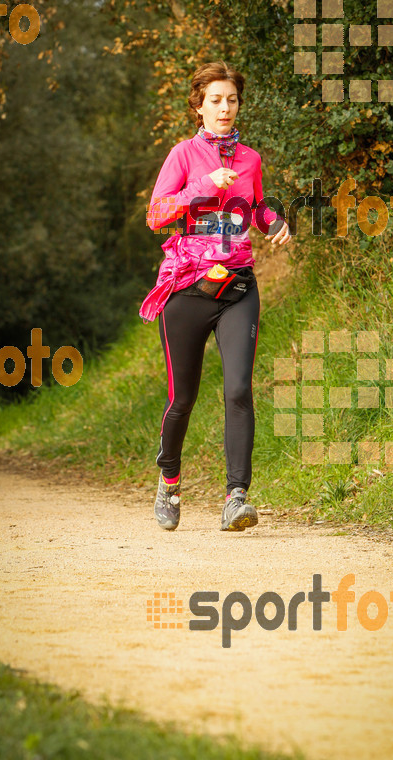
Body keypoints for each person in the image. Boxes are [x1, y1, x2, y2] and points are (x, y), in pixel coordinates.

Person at [139, 60, 291, 532]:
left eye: (232, 100)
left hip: (238, 286)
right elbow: (157, 214)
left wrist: (273, 221)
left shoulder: (250, 158)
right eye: (215, 100)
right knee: (181, 398)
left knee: (239, 389)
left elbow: (256, 204)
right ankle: (169, 481)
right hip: (189, 288)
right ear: (199, 108)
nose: (225, 108)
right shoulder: (183, 155)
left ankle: (236, 497)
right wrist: (203, 186)